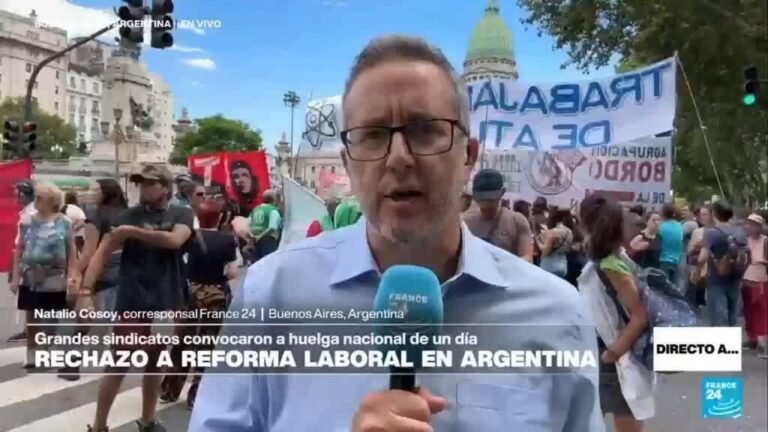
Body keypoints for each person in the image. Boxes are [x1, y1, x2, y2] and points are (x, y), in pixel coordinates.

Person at [190, 34, 601, 432]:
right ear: (349, 162)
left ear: (469, 157)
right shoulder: (271, 294)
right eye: (373, 136)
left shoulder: (558, 314)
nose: (399, 159)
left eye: (425, 130)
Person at [81, 165, 195, 432]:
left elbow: (175, 240)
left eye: (150, 183)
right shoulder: (127, 215)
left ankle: (147, 420)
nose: (144, 188)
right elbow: (103, 250)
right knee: (119, 363)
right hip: (133, 301)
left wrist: (131, 233)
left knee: (156, 362)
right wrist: (86, 291)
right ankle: (99, 426)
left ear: (165, 187)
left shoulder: (182, 213)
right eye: (140, 183)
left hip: (166, 302)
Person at [578, 194, 654, 432]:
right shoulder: (609, 258)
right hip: (604, 354)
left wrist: (613, 352)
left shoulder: (610, 264)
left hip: (613, 357)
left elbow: (639, 315)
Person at [160, 198, 239, 409]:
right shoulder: (228, 240)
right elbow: (231, 272)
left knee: (183, 340)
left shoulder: (188, 237)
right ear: (221, 217)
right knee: (207, 343)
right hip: (216, 295)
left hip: (190, 293)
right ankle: (196, 394)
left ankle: (170, 390)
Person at [58, 179, 128, 381]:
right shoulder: (129, 213)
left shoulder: (97, 216)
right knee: (118, 321)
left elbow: (89, 252)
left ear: (105, 193)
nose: (90, 193)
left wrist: (74, 272)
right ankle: (113, 366)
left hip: (101, 274)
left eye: (94, 189)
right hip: (125, 273)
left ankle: (72, 364)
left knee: (85, 320)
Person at [10, 182, 78, 369]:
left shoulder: (64, 222)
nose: (37, 200)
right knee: (31, 315)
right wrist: (15, 277)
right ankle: (32, 352)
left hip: (55, 275)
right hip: (31, 275)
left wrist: (72, 276)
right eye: (37, 197)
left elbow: (71, 252)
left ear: (52, 201)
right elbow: (19, 249)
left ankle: (47, 349)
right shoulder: (27, 221)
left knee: (51, 316)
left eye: (41, 198)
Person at [463, 168, 534, 262]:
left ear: (502, 192)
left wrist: (503, 265)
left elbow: (528, 258)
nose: (486, 205)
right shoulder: (466, 223)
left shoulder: (517, 221)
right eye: (483, 199)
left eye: (491, 200)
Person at [697, 201, 742, 327]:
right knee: (732, 316)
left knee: (719, 319)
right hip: (736, 279)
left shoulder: (711, 232)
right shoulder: (739, 231)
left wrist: (698, 268)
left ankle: (722, 344)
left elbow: (702, 258)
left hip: (717, 280)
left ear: (714, 214)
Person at [6, 180, 36, 343]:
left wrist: (16, 271)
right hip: (25, 258)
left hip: (29, 260)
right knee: (26, 299)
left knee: (30, 298)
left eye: (18, 193)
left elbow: (23, 243)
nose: (15, 197)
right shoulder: (26, 212)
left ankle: (32, 331)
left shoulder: (30, 215)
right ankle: (28, 329)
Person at [742, 213, 768, 359]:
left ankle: (762, 343)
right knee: (748, 311)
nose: (750, 226)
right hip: (746, 280)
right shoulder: (745, 241)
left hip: (761, 281)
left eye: (754, 224)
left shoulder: (765, 241)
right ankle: (752, 338)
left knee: (761, 312)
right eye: (749, 223)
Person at [245, 189, 282, 261]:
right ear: (274, 199)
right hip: (268, 240)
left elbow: (247, 224)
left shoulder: (256, 209)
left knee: (257, 263)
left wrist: (252, 235)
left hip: (254, 240)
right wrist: (260, 236)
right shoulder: (273, 210)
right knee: (269, 261)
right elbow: (272, 227)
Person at [536, 208, 573, 279]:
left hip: (550, 266)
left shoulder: (553, 232)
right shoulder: (569, 231)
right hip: (563, 265)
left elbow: (545, 251)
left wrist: (537, 240)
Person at [658, 203, 683, 283]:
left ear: (663, 213)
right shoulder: (679, 226)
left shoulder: (660, 226)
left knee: (663, 288)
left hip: (662, 260)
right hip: (676, 260)